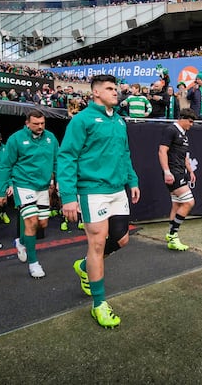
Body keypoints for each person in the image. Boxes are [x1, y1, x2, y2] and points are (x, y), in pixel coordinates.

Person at [59, 74, 140, 329]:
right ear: (95, 93)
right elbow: (67, 157)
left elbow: (125, 154)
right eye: (109, 88)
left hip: (118, 189)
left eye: (116, 88)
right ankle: (99, 304)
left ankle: (83, 266)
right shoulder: (81, 120)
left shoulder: (119, 121)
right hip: (91, 190)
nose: (116, 92)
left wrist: (133, 180)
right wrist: (69, 197)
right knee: (97, 243)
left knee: (122, 239)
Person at [0, 109, 59, 278]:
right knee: (30, 222)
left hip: (43, 187)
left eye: (42, 123)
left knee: (42, 224)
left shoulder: (50, 138)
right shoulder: (16, 139)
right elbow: (5, 165)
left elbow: (57, 161)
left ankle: (21, 241)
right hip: (23, 185)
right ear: (27, 123)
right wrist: (0, 190)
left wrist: (59, 183)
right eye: (36, 124)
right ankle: (34, 263)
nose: (40, 127)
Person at [160, 108, 198, 250]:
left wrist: (190, 171)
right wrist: (166, 172)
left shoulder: (184, 135)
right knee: (189, 202)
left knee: (176, 205)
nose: (191, 124)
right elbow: (162, 151)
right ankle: (172, 234)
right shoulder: (171, 130)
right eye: (190, 121)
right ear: (182, 118)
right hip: (173, 173)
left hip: (181, 172)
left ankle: (172, 240)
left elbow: (185, 156)